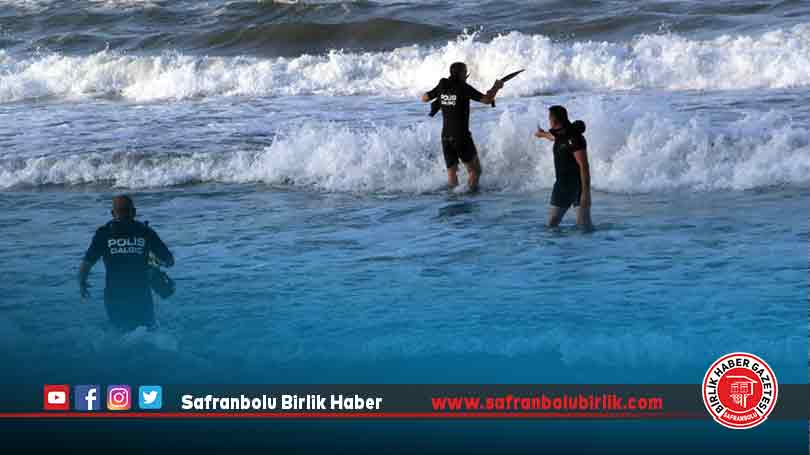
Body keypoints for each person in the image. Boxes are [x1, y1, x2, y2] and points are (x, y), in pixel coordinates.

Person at [78, 195, 174, 330]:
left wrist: (82, 282)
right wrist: (153, 264)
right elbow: (169, 261)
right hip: (140, 295)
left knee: (120, 333)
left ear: (113, 213)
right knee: (146, 333)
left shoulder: (104, 233)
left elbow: (87, 263)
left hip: (114, 295)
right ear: (134, 212)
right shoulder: (145, 232)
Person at [421, 62, 504, 192]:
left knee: (452, 174)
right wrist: (496, 87)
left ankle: (453, 201)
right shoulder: (463, 87)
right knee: (475, 171)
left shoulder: (442, 85)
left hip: (445, 137)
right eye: (465, 72)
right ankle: (470, 197)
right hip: (461, 136)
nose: (466, 75)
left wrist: (441, 95)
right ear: (461, 74)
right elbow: (487, 100)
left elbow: (424, 98)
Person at [535, 105, 593, 230]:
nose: (548, 120)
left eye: (549, 117)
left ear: (553, 119)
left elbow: (584, 166)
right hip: (568, 186)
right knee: (556, 226)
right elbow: (554, 137)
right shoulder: (561, 133)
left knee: (581, 228)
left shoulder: (574, 137)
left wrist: (586, 194)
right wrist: (542, 134)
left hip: (572, 187)